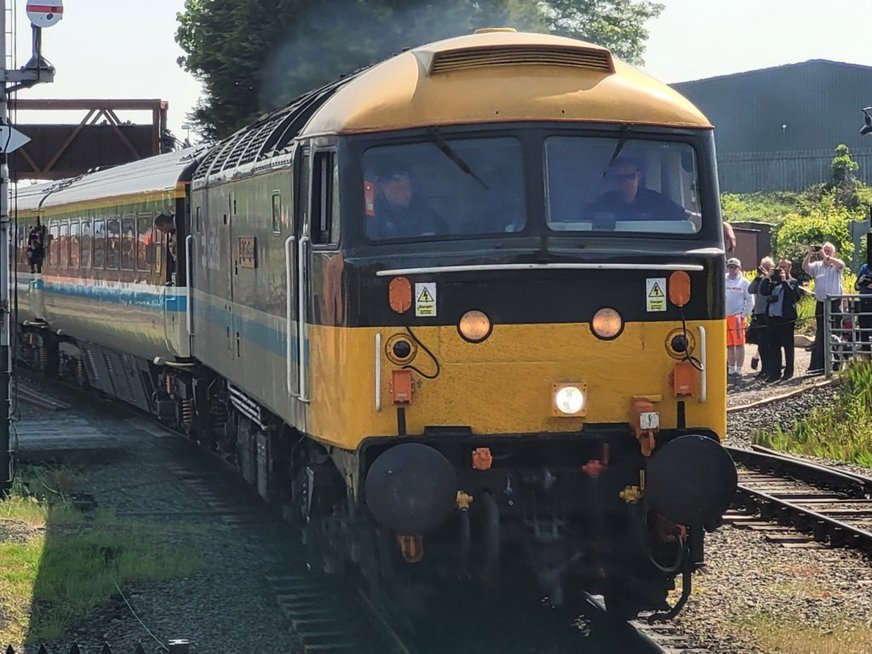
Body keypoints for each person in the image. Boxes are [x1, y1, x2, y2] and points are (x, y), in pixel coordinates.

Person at [586, 158, 687, 222]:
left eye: (630, 176)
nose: (626, 182)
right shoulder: (601, 204)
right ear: (611, 180)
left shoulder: (657, 201)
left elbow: (688, 219)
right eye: (619, 178)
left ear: (638, 176)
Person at [365, 164, 448, 239]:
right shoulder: (371, 213)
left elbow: (427, 242)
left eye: (409, 188)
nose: (408, 194)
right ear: (384, 187)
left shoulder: (422, 211)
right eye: (401, 189)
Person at [802, 242, 844, 374]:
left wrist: (826, 256)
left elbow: (841, 265)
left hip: (834, 303)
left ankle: (836, 363)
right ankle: (818, 365)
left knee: (835, 333)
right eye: (824, 249)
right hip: (821, 303)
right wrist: (809, 254)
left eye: (828, 250)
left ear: (833, 252)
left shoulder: (836, 264)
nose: (825, 252)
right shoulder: (817, 266)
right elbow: (805, 267)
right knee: (821, 333)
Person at [759, 259, 800, 382]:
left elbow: (793, 296)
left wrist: (783, 281)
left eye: (784, 266)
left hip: (786, 319)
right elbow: (763, 291)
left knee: (788, 346)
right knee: (773, 347)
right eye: (779, 266)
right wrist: (767, 277)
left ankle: (789, 371)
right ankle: (774, 373)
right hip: (772, 318)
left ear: (789, 268)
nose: (781, 268)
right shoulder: (772, 282)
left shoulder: (793, 282)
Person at [725, 257, 753, 380]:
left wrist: (743, 314)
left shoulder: (744, 282)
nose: (731, 269)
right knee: (729, 344)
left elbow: (750, 300)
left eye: (733, 267)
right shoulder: (723, 280)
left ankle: (739, 369)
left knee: (739, 344)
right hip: (725, 317)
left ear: (739, 268)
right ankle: (731, 369)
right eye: (729, 267)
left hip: (737, 318)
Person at [747, 256, 774, 378]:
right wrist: (758, 277)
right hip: (759, 313)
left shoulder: (773, 280)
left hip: (768, 313)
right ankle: (764, 368)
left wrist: (768, 276)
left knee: (769, 343)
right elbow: (750, 290)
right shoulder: (760, 280)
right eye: (765, 267)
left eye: (768, 267)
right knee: (761, 343)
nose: (766, 270)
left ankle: (770, 368)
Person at [855, 259, 872, 354]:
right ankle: (866, 357)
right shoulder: (865, 267)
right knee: (864, 330)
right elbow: (856, 286)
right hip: (864, 303)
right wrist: (861, 281)